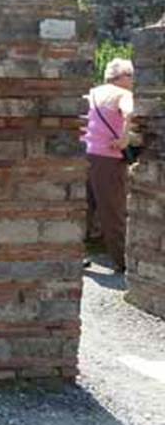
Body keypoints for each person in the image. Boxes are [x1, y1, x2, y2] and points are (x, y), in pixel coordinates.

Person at [82, 57, 135, 273]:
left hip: (86, 153)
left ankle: (77, 254)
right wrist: (124, 138)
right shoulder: (122, 94)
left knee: (85, 207)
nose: (133, 81)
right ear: (123, 77)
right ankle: (122, 261)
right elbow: (129, 111)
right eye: (131, 76)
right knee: (113, 209)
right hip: (108, 157)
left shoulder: (93, 93)